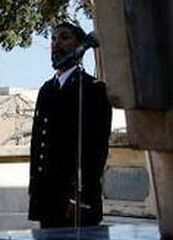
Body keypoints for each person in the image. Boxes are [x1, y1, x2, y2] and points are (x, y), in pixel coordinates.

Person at [28, 21, 112, 229]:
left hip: (74, 201)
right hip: (47, 198)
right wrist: (36, 190)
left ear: (80, 45)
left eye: (64, 38)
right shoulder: (47, 89)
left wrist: (79, 196)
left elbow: (96, 149)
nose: (56, 44)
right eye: (53, 39)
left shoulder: (92, 89)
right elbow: (39, 143)